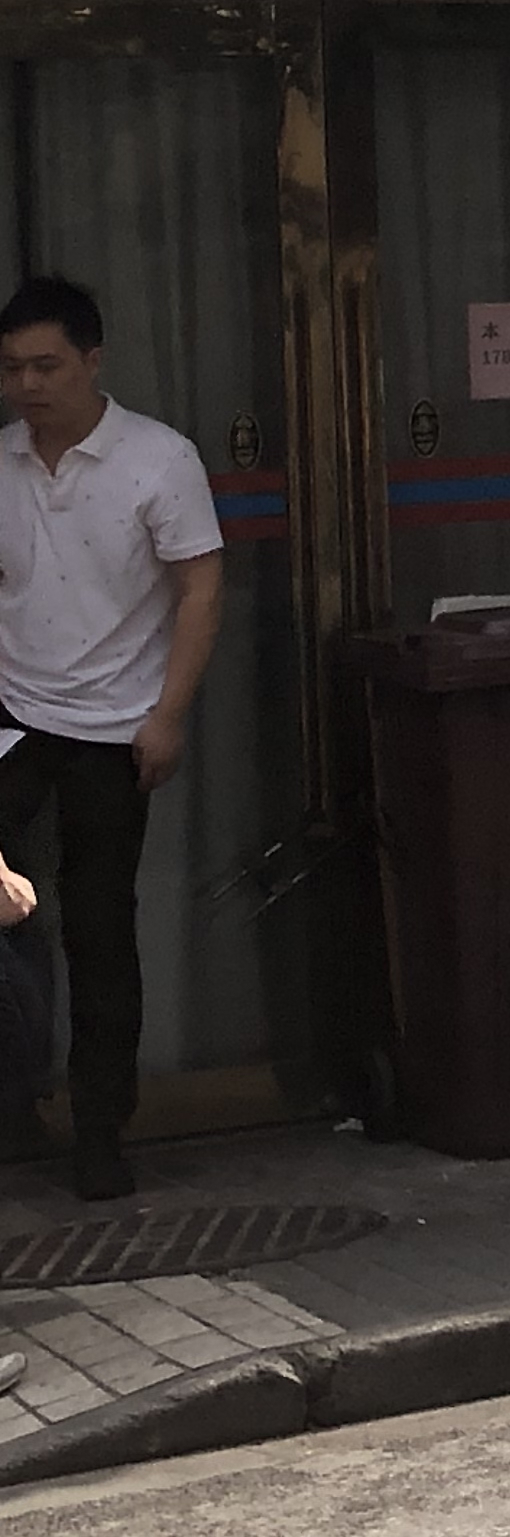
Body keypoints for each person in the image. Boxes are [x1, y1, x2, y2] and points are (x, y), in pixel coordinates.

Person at [0, 274, 226, 1200]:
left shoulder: (157, 459)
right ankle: (14, 1103)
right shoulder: (3, 462)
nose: (28, 385)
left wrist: (168, 716)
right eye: (12, 369)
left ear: (93, 361)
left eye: (47, 366)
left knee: (98, 932)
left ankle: (100, 1132)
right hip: (13, 715)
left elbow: (201, 588)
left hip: (113, 726)